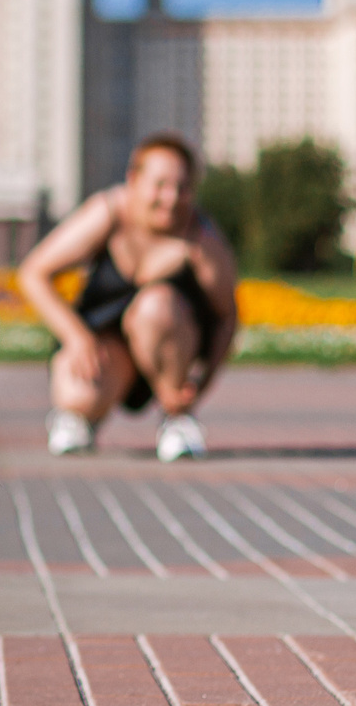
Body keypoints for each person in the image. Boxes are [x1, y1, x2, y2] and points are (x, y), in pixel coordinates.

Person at [16, 132, 239, 462]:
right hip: (107, 353)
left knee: (156, 306)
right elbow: (34, 274)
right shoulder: (108, 212)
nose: (171, 198)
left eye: (183, 187)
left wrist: (199, 386)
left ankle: (177, 421)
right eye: (160, 185)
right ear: (133, 180)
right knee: (77, 391)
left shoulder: (201, 238)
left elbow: (227, 316)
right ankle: (76, 418)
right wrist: (76, 337)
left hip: (169, 353)